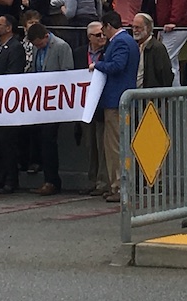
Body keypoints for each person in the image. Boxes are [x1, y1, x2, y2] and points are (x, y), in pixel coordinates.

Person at [93, 10, 139, 203]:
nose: (102, 34)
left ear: (109, 26)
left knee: (115, 146)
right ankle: (119, 185)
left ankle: (120, 187)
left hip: (116, 100)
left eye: (103, 29)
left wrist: (97, 65)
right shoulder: (129, 41)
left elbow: (117, 66)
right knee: (119, 144)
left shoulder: (120, 42)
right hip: (120, 98)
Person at [26, 21, 73, 195]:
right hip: (41, 101)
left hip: (55, 101)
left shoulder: (61, 47)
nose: (38, 47)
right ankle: (47, 178)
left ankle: (52, 180)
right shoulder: (37, 49)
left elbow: (67, 72)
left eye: (40, 44)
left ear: (46, 36)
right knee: (39, 138)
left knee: (48, 139)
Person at [0, 15, 25, 193]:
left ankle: (11, 179)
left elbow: (14, 72)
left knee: (7, 142)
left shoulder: (16, 48)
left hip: (7, 101)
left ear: (9, 28)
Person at [78, 20, 108, 196]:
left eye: (103, 33)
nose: (102, 37)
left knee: (103, 145)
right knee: (90, 145)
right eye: (98, 35)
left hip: (102, 104)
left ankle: (103, 182)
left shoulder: (108, 52)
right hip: (85, 105)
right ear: (89, 37)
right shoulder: (79, 53)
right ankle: (92, 179)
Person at [131, 12, 172, 89]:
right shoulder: (134, 47)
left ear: (148, 28)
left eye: (138, 27)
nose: (134, 30)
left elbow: (165, 75)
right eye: (133, 27)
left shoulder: (157, 48)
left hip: (151, 93)